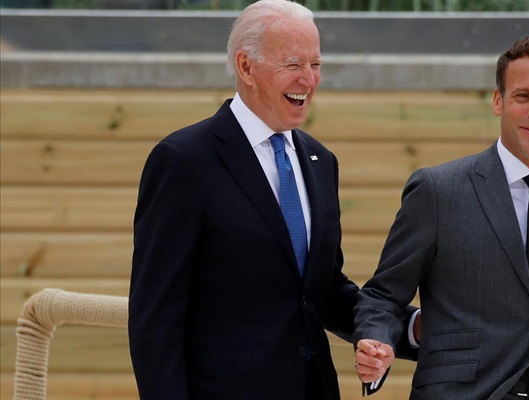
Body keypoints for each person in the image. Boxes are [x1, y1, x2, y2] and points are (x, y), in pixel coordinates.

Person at [128, 1, 416, 399]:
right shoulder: (183, 160)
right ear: (246, 67)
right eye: (293, 64)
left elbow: (322, 292)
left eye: (316, 64)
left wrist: (402, 328)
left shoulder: (321, 161)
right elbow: (155, 319)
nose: (309, 79)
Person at [352, 35, 529, 400]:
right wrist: (376, 342)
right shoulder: (438, 191)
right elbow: (382, 295)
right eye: (523, 96)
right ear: (498, 101)